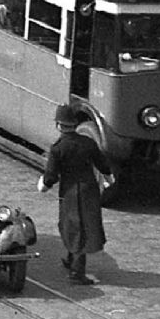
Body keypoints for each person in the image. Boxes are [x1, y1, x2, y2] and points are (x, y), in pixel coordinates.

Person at [39, 105, 113, 285]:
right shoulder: (87, 143)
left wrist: (44, 185)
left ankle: (76, 272)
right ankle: (71, 260)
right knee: (84, 226)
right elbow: (102, 163)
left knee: (73, 226)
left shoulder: (58, 148)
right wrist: (108, 177)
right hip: (89, 190)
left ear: (59, 125)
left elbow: (51, 175)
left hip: (70, 191)